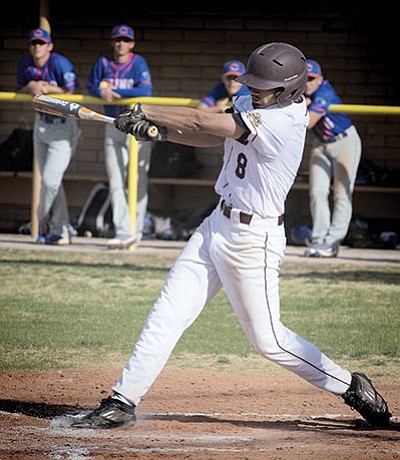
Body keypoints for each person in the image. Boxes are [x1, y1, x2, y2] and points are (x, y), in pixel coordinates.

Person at [71, 43, 391, 430]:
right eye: (253, 83)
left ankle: (352, 386)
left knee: (269, 341)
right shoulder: (252, 103)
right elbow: (213, 136)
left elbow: (202, 122)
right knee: (167, 313)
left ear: (290, 89)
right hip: (215, 226)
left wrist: (148, 112)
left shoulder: (285, 121)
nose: (254, 89)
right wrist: (161, 134)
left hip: (253, 240)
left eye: (265, 85)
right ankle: (122, 400)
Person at [86, 24, 153, 250]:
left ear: (131, 43)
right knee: (116, 181)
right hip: (112, 123)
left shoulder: (138, 62)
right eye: (117, 40)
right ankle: (123, 231)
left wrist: (115, 91)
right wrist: (100, 91)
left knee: (137, 181)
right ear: (112, 42)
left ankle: (136, 230)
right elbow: (90, 86)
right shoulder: (103, 63)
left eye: (125, 40)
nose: (121, 44)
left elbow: (145, 91)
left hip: (137, 126)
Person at [17, 27, 80, 245]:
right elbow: (21, 88)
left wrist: (49, 88)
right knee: (52, 182)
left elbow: (72, 90)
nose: (37, 47)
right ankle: (60, 229)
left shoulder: (59, 63)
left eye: (41, 43)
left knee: (51, 182)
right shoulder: (25, 64)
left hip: (62, 126)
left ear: (49, 46)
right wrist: (32, 86)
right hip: (41, 124)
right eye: (34, 43)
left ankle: (40, 221)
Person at [303, 59, 362, 258]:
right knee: (317, 191)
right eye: (305, 79)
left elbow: (308, 122)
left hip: (344, 141)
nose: (308, 83)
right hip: (321, 144)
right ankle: (319, 238)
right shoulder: (304, 94)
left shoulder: (324, 92)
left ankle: (333, 240)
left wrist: (302, 104)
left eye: (312, 79)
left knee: (341, 192)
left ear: (320, 79)